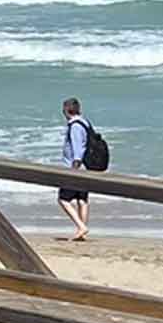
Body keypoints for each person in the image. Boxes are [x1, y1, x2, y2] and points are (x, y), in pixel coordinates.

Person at [58, 97, 93, 241]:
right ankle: (82, 230)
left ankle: (81, 226)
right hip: (85, 167)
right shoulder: (85, 123)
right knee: (81, 199)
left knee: (63, 199)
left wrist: (74, 169)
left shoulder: (75, 126)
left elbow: (77, 150)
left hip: (75, 167)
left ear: (67, 110)